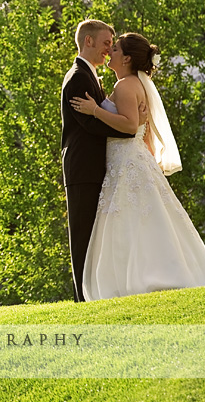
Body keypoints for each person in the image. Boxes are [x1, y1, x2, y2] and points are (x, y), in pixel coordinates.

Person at [70, 32, 205, 301]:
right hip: (129, 160)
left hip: (126, 160)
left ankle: (139, 278)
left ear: (127, 58)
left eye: (115, 48)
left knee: (130, 220)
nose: (110, 52)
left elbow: (130, 127)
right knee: (139, 220)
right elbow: (142, 129)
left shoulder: (126, 86)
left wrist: (95, 110)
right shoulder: (129, 84)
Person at [60, 20, 135, 303]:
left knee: (94, 238)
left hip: (94, 168)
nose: (109, 48)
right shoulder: (78, 77)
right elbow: (90, 124)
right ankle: (82, 300)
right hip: (82, 170)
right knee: (82, 238)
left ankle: (93, 295)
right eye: (106, 42)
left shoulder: (90, 75)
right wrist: (129, 130)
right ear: (88, 41)